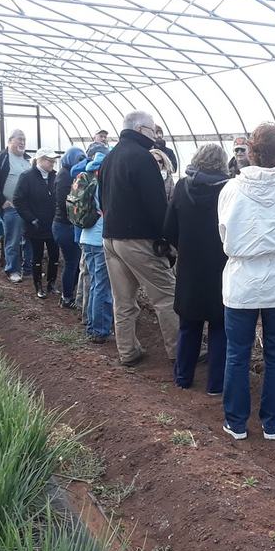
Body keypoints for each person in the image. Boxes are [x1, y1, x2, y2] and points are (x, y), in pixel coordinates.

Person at [218, 123, 275, 441]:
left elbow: (224, 234)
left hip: (242, 280)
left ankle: (236, 422)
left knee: (237, 353)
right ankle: (272, 423)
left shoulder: (230, 189)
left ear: (250, 151)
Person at [99, 110, 178, 367]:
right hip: (138, 240)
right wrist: (168, 240)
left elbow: (102, 200)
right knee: (167, 296)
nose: (156, 135)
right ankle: (180, 351)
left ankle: (127, 351)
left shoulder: (109, 157)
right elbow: (156, 206)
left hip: (111, 238)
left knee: (123, 300)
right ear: (142, 129)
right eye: (154, 130)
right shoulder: (142, 159)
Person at [163, 143, 229, 394]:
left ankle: (183, 378)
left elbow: (169, 228)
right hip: (221, 269)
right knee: (220, 327)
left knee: (188, 326)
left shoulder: (182, 186)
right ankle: (216, 385)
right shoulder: (229, 190)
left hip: (190, 269)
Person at [0, 129, 32, 282]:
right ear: (10, 141)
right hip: (11, 208)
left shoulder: (27, 159)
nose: (22, 142)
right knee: (13, 239)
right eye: (19, 139)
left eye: (24, 139)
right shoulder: (1, 158)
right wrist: (2, 201)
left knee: (29, 239)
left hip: (28, 208)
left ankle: (28, 269)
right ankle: (13, 270)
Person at [13, 148, 60, 299]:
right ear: (39, 160)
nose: (52, 163)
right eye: (49, 160)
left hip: (53, 224)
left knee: (54, 255)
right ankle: (38, 285)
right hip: (36, 225)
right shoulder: (27, 177)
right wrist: (31, 218)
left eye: (53, 161)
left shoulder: (54, 176)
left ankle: (51, 283)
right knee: (37, 256)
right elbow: (18, 200)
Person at [78, 152, 113, 344]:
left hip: (86, 237)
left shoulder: (86, 180)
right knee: (102, 286)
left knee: (94, 283)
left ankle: (93, 325)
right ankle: (99, 330)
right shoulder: (101, 184)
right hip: (99, 240)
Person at [53, 147, 87, 309]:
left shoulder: (69, 174)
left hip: (68, 225)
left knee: (74, 261)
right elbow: (63, 203)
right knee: (72, 262)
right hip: (64, 226)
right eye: (78, 160)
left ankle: (69, 293)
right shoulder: (64, 176)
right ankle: (67, 297)